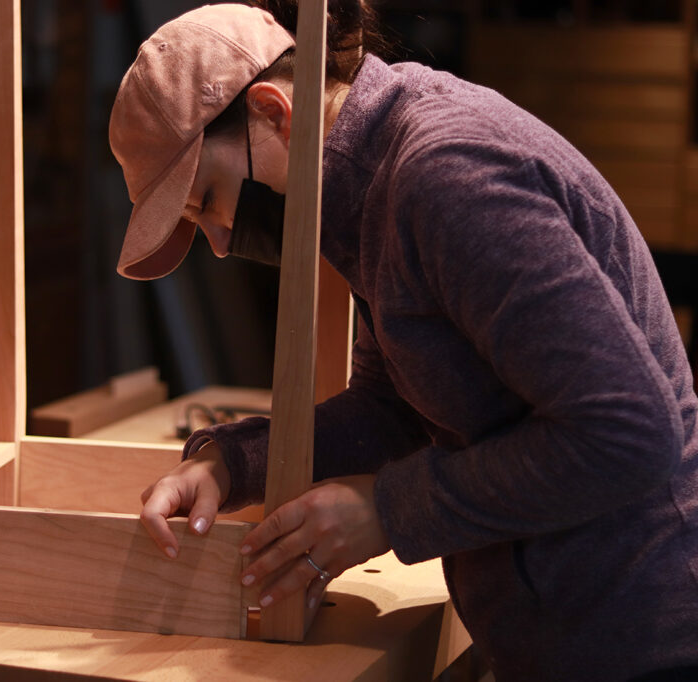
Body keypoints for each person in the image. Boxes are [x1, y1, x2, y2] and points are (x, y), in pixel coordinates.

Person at [107, 2, 698, 680]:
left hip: (637, 643)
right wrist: (231, 466)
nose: (218, 244)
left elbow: (628, 433)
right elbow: (397, 407)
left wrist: (387, 512)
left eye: (207, 201)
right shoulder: (372, 184)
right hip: (559, 635)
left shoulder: (447, 176)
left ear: (273, 114)